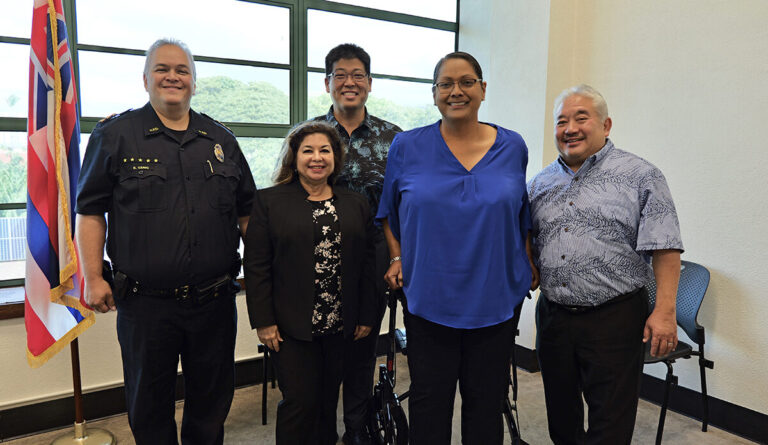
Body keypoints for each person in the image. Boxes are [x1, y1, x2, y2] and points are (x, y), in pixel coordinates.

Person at [75, 38, 255, 445]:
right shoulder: (115, 135)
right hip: (146, 306)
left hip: (214, 303)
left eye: (182, 70)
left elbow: (248, 214)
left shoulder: (221, 140)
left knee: (211, 405)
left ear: (194, 81)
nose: (172, 76)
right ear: (145, 79)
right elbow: (89, 211)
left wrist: (265, 274)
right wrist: (91, 276)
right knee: (149, 407)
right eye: (162, 69)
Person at [377, 51, 538, 445]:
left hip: (495, 295)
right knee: (430, 401)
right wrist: (397, 257)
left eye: (467, 82)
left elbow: (521, 214)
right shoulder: (406, 146)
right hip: (429, 295)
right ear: (434, 94)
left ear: (483, 89)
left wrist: (528, 262)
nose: (456, 91)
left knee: (485, 402)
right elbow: (387, 213)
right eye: (446, 84)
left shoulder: (513, 146)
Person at [528, 84, 684, 444]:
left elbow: (665, 248)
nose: (570, 128)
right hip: (554, 317)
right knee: (561, 418)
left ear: (606, 124)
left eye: (581, 118)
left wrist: (664, 312)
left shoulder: (641, 176)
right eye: (561, 121)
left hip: (614, 317)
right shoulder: (539, 184)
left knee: (610, 422)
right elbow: (529, 242)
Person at [244, 121, 377, 445]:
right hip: (291, 327)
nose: (316, 158)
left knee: (328, 399)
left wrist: (366, 316)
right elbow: (257, 266)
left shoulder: (355, 203)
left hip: (340, 324)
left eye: (324, 150)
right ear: (294, 157)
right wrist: (264, 322)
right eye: (308, 151)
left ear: (335, 158)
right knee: (300, 402)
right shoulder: (269, 202)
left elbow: (368, 266)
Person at [311, 43, 402, 445]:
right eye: (341, 75)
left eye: (358, 75)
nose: (350, 82)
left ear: (369, 83)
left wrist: (398, 256)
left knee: (363, 342)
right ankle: (321, 432)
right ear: (328, 82)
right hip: (317, 256)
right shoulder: (310, 133)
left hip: (373, 256)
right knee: (320, 351)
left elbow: (402, 203)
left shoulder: (393, 139)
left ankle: (358, 431)